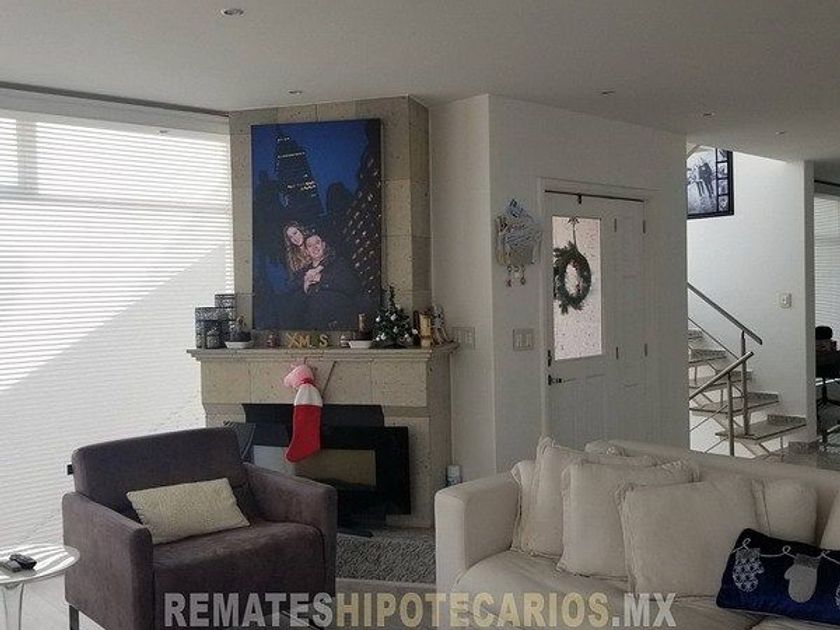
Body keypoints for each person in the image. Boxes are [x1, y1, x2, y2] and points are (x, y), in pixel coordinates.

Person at [299, 234, 362, 329]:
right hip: (317, 327)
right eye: (310, 245)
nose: (314, 247)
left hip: (341, 324)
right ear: (307, 251)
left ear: (323, 245)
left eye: (317, 243)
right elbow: (301, 306)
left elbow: (352, 286)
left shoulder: (338, 263)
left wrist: (321, 278)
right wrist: (305, 288)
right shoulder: (304, 272)